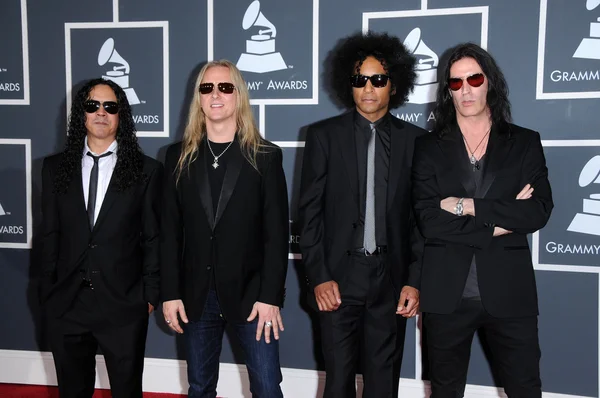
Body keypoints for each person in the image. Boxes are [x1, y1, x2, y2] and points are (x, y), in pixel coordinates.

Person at [412, 43, 553, 397]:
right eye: (456, 83)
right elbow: (429, 220)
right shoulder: (428, 148)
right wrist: (502, 221)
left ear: (489, 81)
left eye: (473, 78)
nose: (466, 90)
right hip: (446, 295)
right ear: (447, 91)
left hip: (510, 292)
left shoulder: (523, 143)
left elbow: (537, 211)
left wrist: (466, 205)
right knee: (445, 391)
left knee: (525, 388)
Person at [298, 31, 425, 398]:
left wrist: (414, 280)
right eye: (359, 79)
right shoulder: (323, 136)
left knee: (384, 384)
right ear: (348, 85)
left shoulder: (416, 142)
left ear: (394, 85)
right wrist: (319, 277)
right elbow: (310, 214)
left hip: (391, 279)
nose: (368, 88)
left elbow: (420, 220)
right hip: (339, 278)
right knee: (338, 382)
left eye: (378, 79)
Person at [160, 59, 289, 397]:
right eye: (207, 87)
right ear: (198, 98)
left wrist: (270, 297)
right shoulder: (177, 156)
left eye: (225, 87)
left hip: (253, 297)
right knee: (200, 387)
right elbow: (170, 232)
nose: (215, 94)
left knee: (266, 386)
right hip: (196, 296)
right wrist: (170, 292)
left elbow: (276, 235)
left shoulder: (265, 156)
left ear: (238, 96)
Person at [39, 78, 162, 397]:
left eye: (110, 106)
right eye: (92, 105)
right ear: (81, 113)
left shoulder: (145, 171)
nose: (101, 113)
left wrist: (148, 295)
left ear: (121, 116)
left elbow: (152, 237)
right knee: (72, 390)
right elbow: (49, 234)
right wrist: (48, 291)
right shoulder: (54, 169)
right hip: (67, 303)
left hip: (123, 303)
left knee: (126, 390)